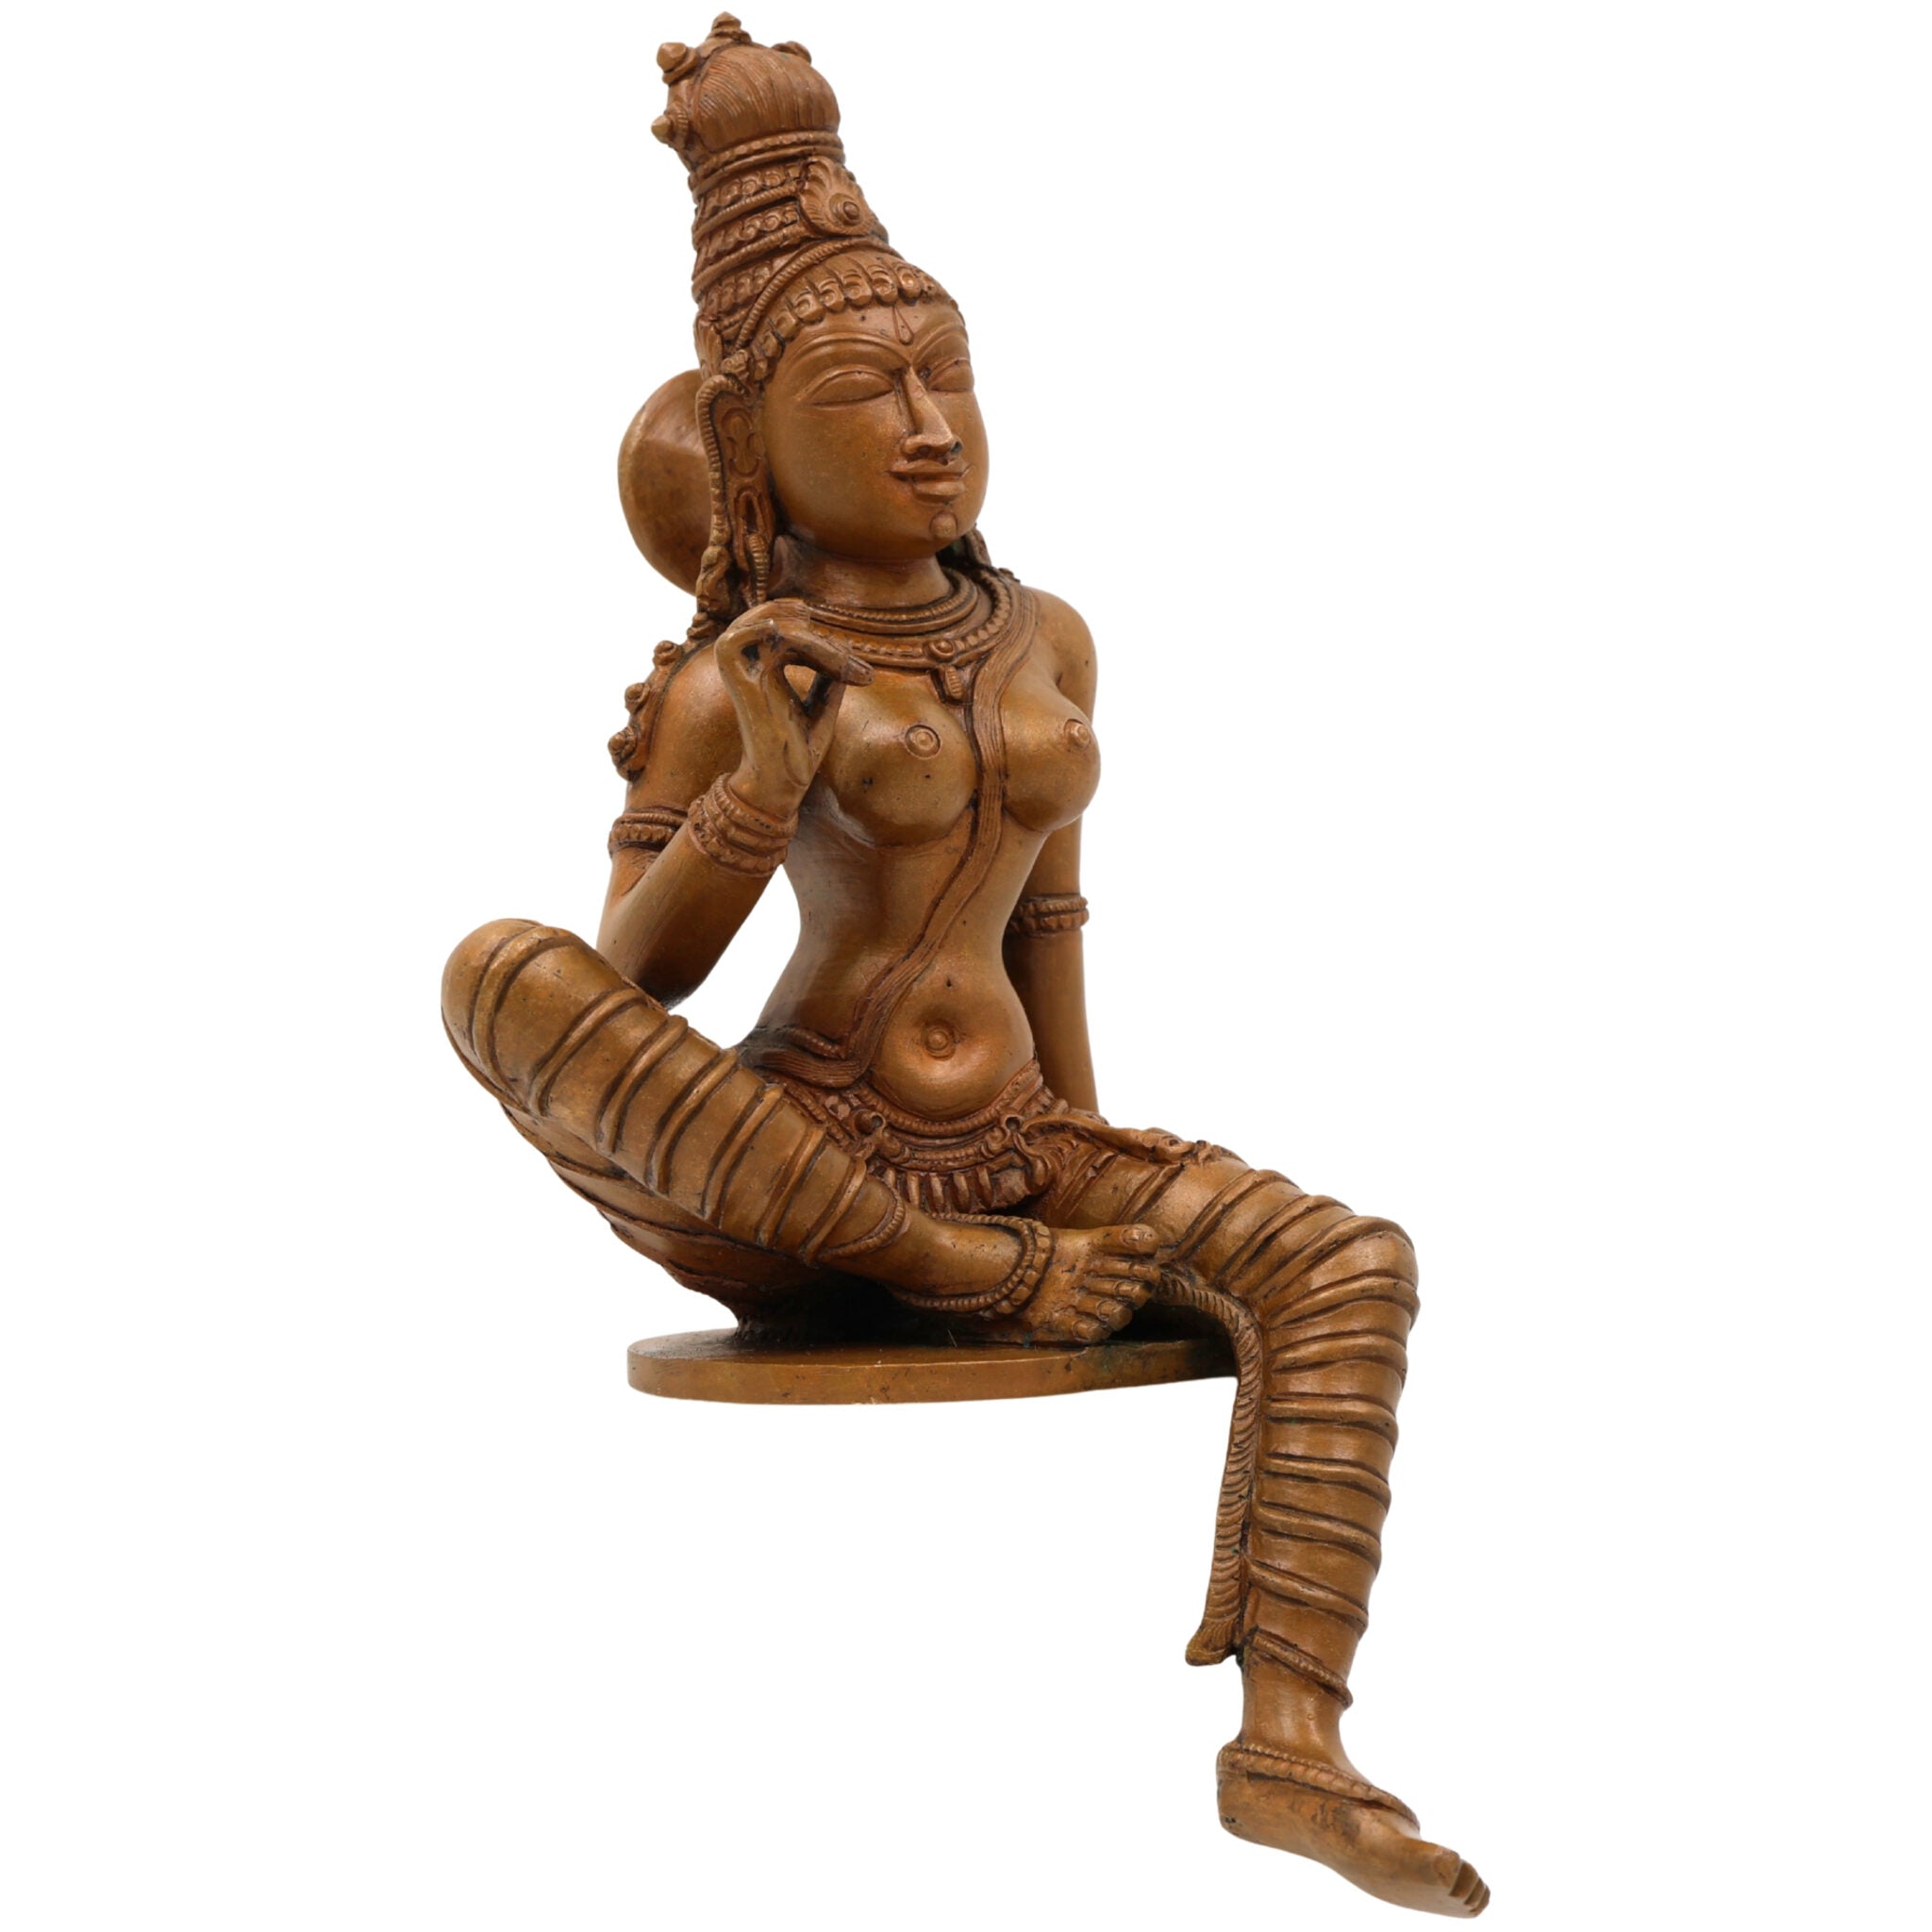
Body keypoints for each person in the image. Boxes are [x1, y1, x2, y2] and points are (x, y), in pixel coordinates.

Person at [442, 17, 1487, 1916]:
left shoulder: (1046, 635)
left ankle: (1291, 1738)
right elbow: (628, 987)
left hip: (1013, 1142)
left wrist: (1102, 1158)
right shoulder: (740, 671)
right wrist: (756, 790)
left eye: (951, 375)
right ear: (750, 443)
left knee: (1347, 1259)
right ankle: (956, 1274)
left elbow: (1049, 918)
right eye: (868, 390)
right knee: (498, 974)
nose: (929, 425)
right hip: (795, 1166)